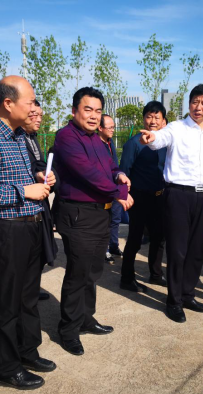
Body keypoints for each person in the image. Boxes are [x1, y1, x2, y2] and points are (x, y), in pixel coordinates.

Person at [0, 76, 56, 391]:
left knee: (28, 298)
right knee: (5, 302)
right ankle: (6, 367)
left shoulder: (19, 136)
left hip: (30, 226)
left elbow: (17, 176)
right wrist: (24, 191)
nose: (34, 108)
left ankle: (27, 352)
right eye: (29, 101)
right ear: (8, 103)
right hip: (5, 231)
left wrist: (39, 178)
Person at [53, 87, 133, 356]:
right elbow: (88, 174)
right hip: (79, 215)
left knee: (93, 271)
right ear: (74, 110)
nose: (93, 115)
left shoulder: (97, 140)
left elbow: (109, 167)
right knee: (78, 273)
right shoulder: (66, 137)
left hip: (100, 214)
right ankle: (68, 329)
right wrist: (120, 192)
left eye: (98, 111)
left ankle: (86, 318)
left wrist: (119, 174)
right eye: (88, 109)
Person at [139, 84, 203, 323]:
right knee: (177, 250)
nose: (198, 107)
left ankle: (187, 295)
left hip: (202, 196)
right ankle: (173, 301)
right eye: (194, 102)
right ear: (189, 104)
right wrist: (152, 137)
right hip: (178, 195)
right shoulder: (176, 128)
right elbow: (159, 139)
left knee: (196, 251)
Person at [119, 101, 168, 293]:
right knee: (135, 238)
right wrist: (124, 196)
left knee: (159, 237)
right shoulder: (134, 144)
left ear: (163, 121)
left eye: (157, 117)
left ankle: (156, 274)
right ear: (143, 119)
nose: (153, 121)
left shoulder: (165, 143)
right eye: (149, 116)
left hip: (160, 197)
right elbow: (124, 172)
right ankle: (126, 278)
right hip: (139, 198)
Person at [23, 100, 58, 301]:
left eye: (40, 116)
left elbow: (39, 165)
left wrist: (48, 176)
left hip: (40, 202)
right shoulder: (16, 139)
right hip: (25, 203)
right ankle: (25, 293)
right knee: (27, 255)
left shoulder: (33, 138)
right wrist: (36, 175)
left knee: (39, 251)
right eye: (33, 115)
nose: (38, 119)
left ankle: (32, 290)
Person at [97, 114, 123, 264]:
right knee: (105, 221)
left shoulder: (110, 142)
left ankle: (114, 245)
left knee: (116, 219)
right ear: (100, 128)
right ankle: (104, 250)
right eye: (110, 127)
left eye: (114, 127)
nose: (113, 130)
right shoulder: (95, 145)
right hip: (104, 189)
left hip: (116, 187)